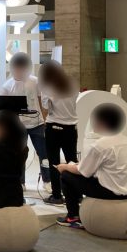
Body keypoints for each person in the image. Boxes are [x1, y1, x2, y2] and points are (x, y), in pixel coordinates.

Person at [55, 104, 127, 229]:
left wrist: (64, 166)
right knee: (76, 173)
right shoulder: (126, 141)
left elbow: (82, 171)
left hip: (111, 192)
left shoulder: (101, 145)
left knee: (66, 176)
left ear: (102, 122)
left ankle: (73, 217)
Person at [1, 52, 49, 191]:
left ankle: (47, 180)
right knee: (19, 154)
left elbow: (41, 100)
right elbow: (4, 108)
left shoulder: (35, 81)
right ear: (13, 68)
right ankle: (20, 182)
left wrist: (45, 118)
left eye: (21, 67)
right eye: (17, 67)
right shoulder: (7, 86)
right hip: (18, 125)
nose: (19, 70)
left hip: (37, 123)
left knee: (43, 153)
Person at [39, 60, 79, 206]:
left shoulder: (47, 87)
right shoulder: (72, 83)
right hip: (71, 128)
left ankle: (57, 196)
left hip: (54, 128)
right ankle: (76, 194)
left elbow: (46, 107)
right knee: (72, 160)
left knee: (54, 163)